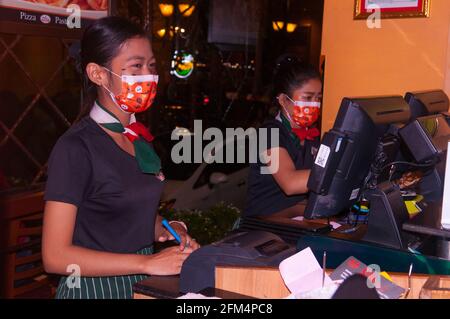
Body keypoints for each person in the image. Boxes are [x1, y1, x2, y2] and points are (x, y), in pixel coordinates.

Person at [42, 17, 199, 299]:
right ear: (98, 74)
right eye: (135, 66)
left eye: (151, 66)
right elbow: (54, 256)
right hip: (94, 288)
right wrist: (147, 262)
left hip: (141, 283)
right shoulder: (75, 148)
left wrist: (166, 228)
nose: (148, 76)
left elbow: (122, 212)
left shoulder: (136, 137)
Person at [244, 55, 323, 217]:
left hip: (292, 219)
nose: (314, 104)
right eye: (307, 97)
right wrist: (336, 171)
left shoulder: (312, 135)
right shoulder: (269, 134)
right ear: (283, 99)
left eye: (318, 98)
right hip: (261, 227)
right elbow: (291, 183)